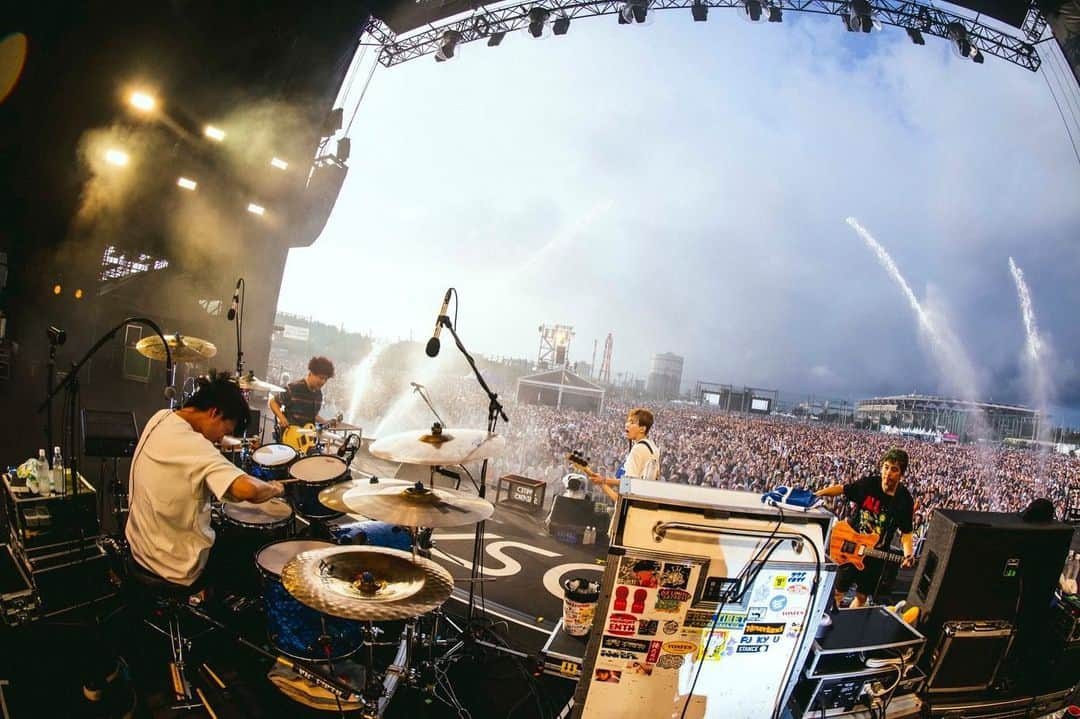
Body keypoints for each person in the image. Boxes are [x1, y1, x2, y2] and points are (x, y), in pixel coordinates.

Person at [125, 375, 285, 590]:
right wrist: (274, 488)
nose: (220, 440)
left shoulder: (161, 417)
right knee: (251, 554)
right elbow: (247, 491)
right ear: (215, 412)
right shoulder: (194, 445)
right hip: (173, 567)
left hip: (139, 548)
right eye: (225, 432)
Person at [815, 447, 916, 609]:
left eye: (894, 469)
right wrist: (816, 496)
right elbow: (842, 489)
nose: (888, 473)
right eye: (886, 467)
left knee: (862, 598)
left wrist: (908, 554)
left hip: (876, 556)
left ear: (901, 474)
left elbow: (906, 532)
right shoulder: (869, 485)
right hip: (850, 547)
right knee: (837, 594)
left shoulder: (904, 500)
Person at [583, 408, 661, 502]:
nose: (627, 425)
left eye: (632, 422)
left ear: (642, 429)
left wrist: (603, 481)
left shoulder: (638, 449)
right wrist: (603, 481)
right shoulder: (653, 447)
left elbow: (628, 486)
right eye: (628, 421)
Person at [268, 356, 335, 435]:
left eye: (326, 379)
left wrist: (325, 422)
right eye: (321, 378)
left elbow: (312, 415)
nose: (323, 382)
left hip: (306, 439)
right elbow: (273, 402)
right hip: (289, 435)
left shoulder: (318, 395)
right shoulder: (294, 388)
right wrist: (281, 417)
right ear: (311, 373)